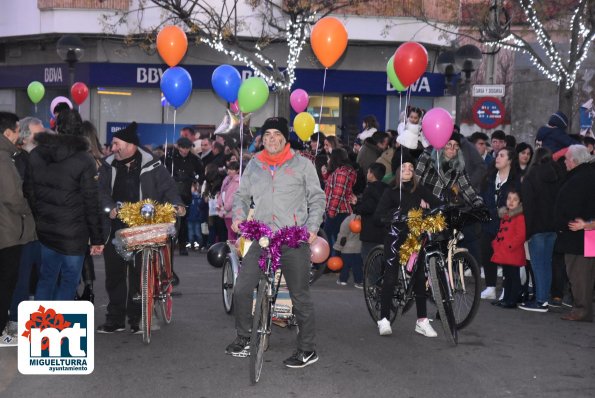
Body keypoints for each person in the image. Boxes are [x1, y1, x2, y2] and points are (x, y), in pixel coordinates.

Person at [226, 116, 325, 368]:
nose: (271, 139)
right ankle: (244, 337)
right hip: (262, 237)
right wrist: (238, 217)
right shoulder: (254, 165)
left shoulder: (302, 165)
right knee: (241, 288)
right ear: (262, 139)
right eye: (267, 135)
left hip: (293, 237)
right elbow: (241, 196)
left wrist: (312, 227)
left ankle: (307, 350)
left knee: (299, 296)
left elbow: (317, 198)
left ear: (285, 138)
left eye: (276, 134)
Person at [97, 121, 184, 334]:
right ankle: (115, 319)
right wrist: (109, 208)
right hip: (115, 226)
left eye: (116, 144)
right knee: (114, 274)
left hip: (144, 226)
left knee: (139, 275)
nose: (113, 147)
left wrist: (178, 204)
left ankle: (137, 318)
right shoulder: (108, 165)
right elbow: (100, 193)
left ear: (130, 145)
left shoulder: (153, 165)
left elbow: (168, 188)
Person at [25, 109, 104, 302]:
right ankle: (60, 328)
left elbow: (28, 191)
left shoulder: (36, 154)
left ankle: (42, 328)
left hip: (46, 231)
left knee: (46, 279)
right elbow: (91, 202)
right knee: (69, 282)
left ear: (57, 127)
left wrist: (41, 217)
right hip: (74, 235)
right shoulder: (85, 159)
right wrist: (97, 238)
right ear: (79, 130)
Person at [374, 156, 442, 337]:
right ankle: (384, 319)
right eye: (404, 166)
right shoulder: (391, 191)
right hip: (395, 237)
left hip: (414, 238)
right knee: (390, 276)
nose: (408, 169)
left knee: (420, 278)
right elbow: (378, 214)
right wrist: (394, 216)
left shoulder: (419, 189)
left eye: (411, 167)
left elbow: (437, 203)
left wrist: (447, 207)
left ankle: (422, 321)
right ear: (397, 171)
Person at [0, 112, 36, 347]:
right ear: (7, 133)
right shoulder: (3, 158)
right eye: (16, 130)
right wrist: (29, 209)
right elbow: (12, 197)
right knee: (6, 283)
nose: (19, 135)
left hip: (6, 227)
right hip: (8, 230)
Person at [519, 147, 564, 312]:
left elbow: (529, 207)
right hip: (552, 228)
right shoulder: (557, 175)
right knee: (547, 265)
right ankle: (544, 298)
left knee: (538, 266)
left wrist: (527, 232)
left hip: (537, 227)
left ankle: (540, 301)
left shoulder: (531, 176)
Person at [553, 145, 595, 322]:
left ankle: (582, 310)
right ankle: (582, 308)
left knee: (579, 274)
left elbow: (573, 205)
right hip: (583, 233)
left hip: (580, 234)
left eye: (567, 158)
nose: (564, 161)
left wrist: (585, 224)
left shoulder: (582, 178)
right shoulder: (585, 175)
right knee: (583, 273)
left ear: (575, 161)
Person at [479, 147, 521, 300]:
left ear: (510, 160)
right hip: (488, 224)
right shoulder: (489, 178)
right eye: (497, 155)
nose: (497, 158)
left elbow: (519, 204)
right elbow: (481, 197)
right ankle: (490, 287)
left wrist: (503, 212)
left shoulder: (515, 181)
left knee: (507, 258)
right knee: (487, 253)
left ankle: (506, 289)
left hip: (507, 225)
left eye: (502, 156)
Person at [164, 137, 204, 255]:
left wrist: (194, 179)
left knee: (184, 220)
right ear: (178, 146)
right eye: (183, 148)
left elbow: (201, 173)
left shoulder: (193, 159)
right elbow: (162, 171)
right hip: (170, 191)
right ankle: (168, 245)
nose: (185, 150)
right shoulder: (170, 157)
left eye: (187, 148)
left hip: (186, 192)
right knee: (169, 219)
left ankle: (182, 246)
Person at [490, 189, 526, 308]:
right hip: (505, 252)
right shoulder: (505, 215)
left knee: (513, 276)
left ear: (520, 202)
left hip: (513, 252)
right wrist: (496, 243)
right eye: (509, 198)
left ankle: (512, 300)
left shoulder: (519, 216)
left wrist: (510, 246)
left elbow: (521, 235)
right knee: (507, 276)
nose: (511, 201)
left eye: (515, 199)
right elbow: (501, 233)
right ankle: (506, 298)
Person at [324, 148, 357, 254]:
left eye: (329, 158)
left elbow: (337, 194)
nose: (328, 161)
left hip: (338, 212)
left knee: (332, 240)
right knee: (336, 239)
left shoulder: (342, 173)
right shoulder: (342, 172)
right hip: (339, 211)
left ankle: (332, 263)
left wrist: (331, 213)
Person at [353, 163, 388, 262]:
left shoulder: (370, 189)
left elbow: (369, 207)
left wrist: (357, 205)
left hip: (370, 230)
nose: (367, 174)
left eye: (368, 172)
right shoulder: (386, 188)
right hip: (383, 230)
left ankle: (371, 278)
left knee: (369, 259)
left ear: (372, 174)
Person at [334, 214, 364, 288]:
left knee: (345, 266)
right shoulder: (363, 219)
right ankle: (358, 281)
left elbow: (342, 235)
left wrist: (338, 248)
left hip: (346, 248)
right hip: (358, 247)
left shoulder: (348, 220)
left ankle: (343, 280)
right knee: (357, 266)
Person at [217, 161, 240, 241]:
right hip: (225, 211)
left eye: (232, 169)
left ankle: (233, 251)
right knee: (230, 232)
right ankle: (232, 250)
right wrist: (219, 205)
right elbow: (222, 192)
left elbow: (233, 197)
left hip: (233, 212)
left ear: (237, 170)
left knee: (232, 233)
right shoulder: (227, 180)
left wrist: (226, 207)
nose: (230, 171)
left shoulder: (238, 182)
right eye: (229, 169)